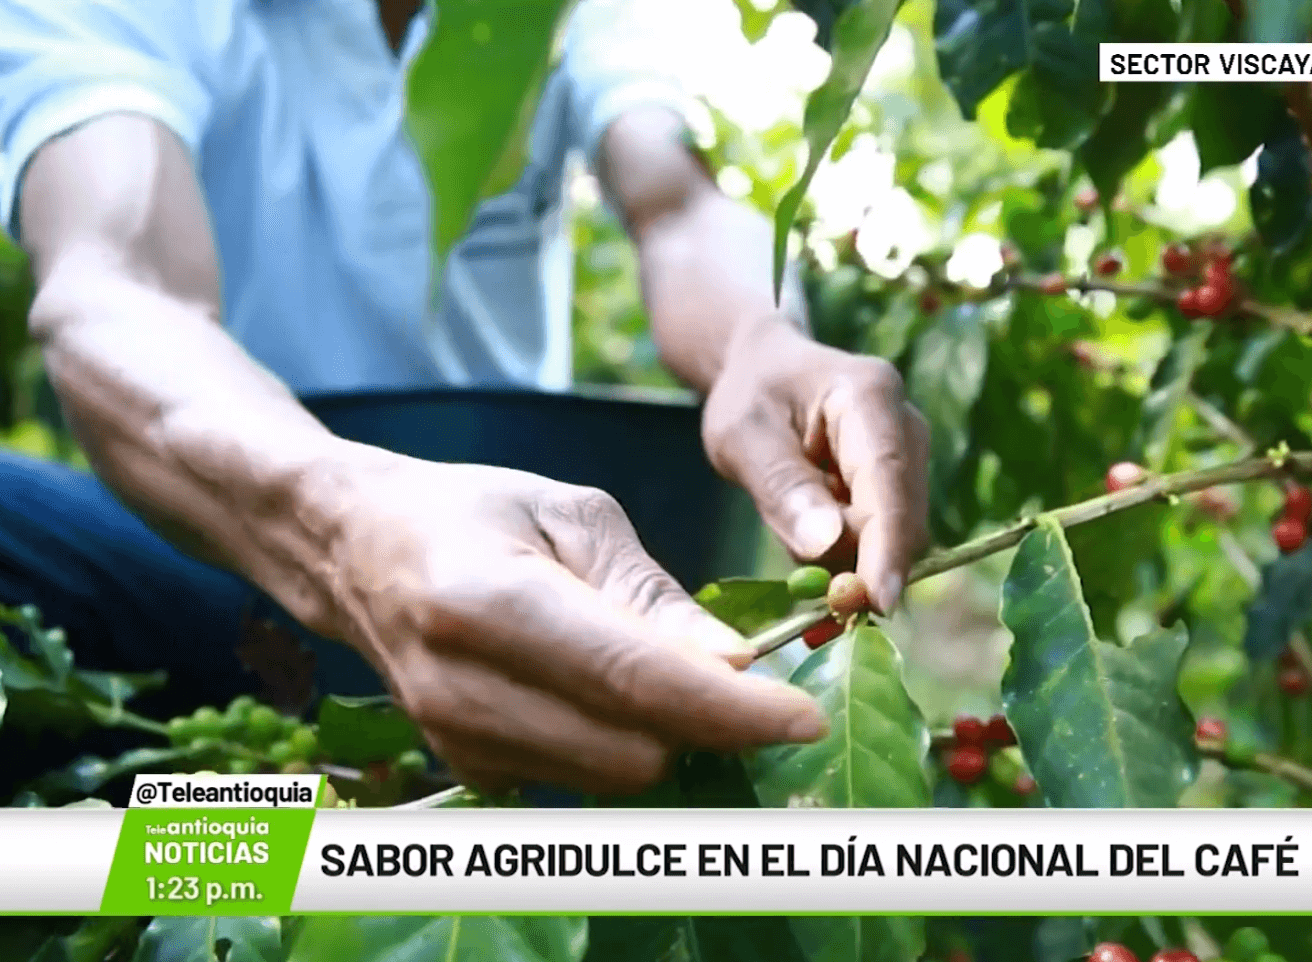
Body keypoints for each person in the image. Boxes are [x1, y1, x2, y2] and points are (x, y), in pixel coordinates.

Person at [0, 0, 930, 799]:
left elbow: (675, 203)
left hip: (519, 550)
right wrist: (341, 525)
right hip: (212, 557)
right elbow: (116, 287)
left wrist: (760, 342)